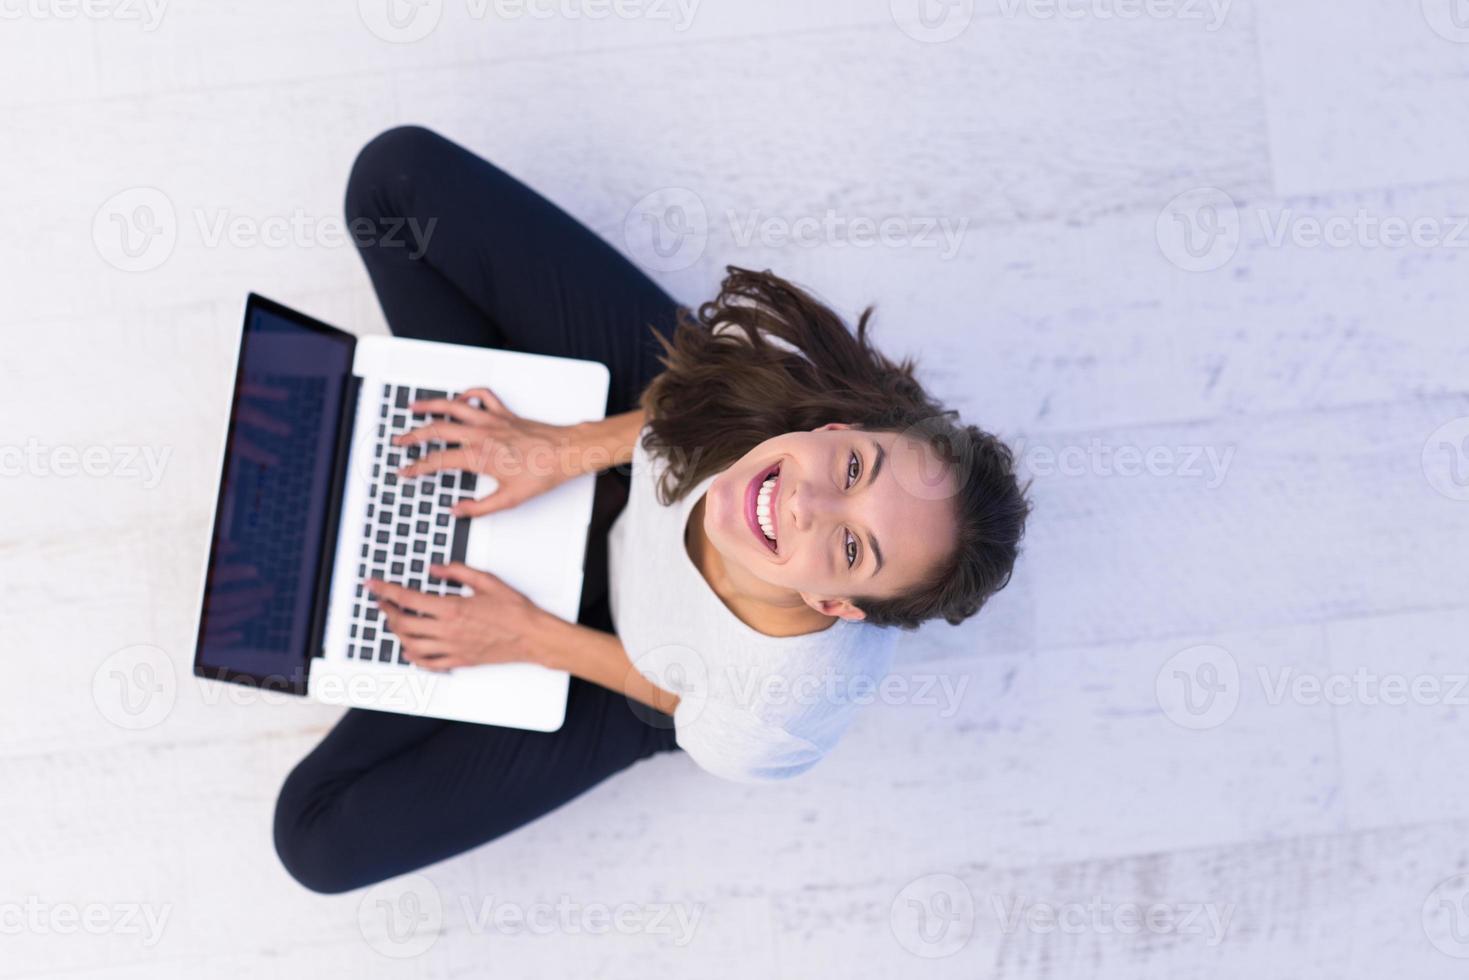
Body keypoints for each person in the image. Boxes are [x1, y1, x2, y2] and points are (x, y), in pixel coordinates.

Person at [273, 126, 1030, 894]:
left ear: (834, 603)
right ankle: (523, 461)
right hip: (662, 427)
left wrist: (529, 636)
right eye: (854, 466)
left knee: (316, 839)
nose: (805, 500)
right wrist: (561, 449)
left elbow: (680, 700)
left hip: (631, 665)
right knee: (394, 184)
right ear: (840, 427)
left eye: (850, 548)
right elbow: (683, 410)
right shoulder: (788, 401)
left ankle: (498, 504)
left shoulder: (777, 716)